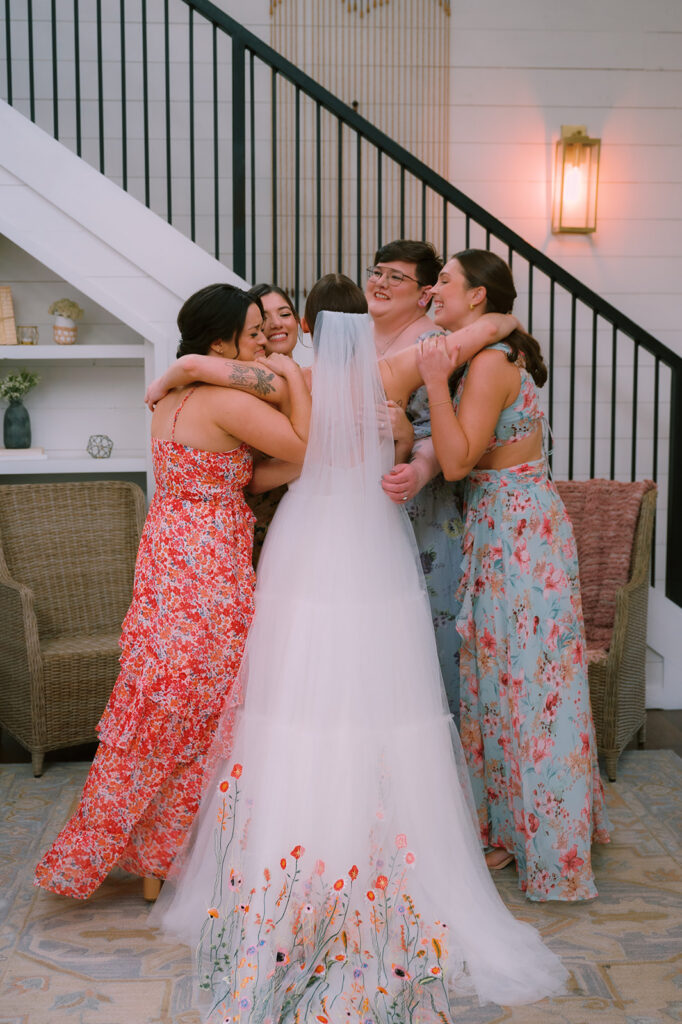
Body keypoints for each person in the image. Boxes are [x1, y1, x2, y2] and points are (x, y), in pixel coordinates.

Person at [150, 276, 568, 1023]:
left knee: (298, 697)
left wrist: (183, 368)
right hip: (371, 538)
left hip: (310, 537)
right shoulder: (388, 372)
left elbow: (258, 441)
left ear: (306, 325)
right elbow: (465, 341)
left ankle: (289, 873)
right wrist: (498, 314)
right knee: (380, 691)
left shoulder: (290, 379)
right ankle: (385, 862)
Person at [33, 283, 311, 901]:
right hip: (206, 565)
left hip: (168, 556)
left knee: (162, 700)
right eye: (253, 332)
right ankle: (162, 854)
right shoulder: (224, 399)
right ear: (221, 343)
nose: (264, 341)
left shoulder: (180, 397)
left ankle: (149, 855)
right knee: (200, 706)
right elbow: (304, 442)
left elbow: (239, 474)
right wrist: (289, 370)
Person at [413, 249, 610, 900]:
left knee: (530, 690)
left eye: (445, 281)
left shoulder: (491, 364)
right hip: (511, 531)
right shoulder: (496, 349)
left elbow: (458, 460)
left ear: (479, 298)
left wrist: (437, 381)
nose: (434, 288)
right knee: (503, 685)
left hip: (517, 536)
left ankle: (549, 846)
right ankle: (512, 830)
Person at [367, 239, 464, 722]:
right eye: (377, 271)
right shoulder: (355, 336)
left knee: (425, 628)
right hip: (361, 505)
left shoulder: (433, 343)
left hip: (422, 502)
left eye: (394, 277)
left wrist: (417, 461)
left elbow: (444, 428)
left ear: (424, 293)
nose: (379, 283)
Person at [243, 283, 303, 565]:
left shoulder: (309, 378)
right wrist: (326, 455)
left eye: (285, 313)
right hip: (265, 526)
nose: (277, 324)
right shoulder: (250, 386)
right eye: (265, 318)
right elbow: (251, 479)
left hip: (315, 520)